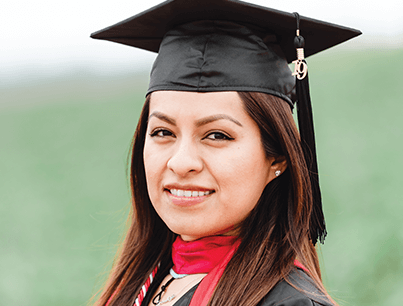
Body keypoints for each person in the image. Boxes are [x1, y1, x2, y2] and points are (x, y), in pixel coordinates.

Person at [90, 1, 361, 305]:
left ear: (277, 157)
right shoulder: (139, 284)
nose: (181, 162)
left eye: (217, 135)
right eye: (163, 132)